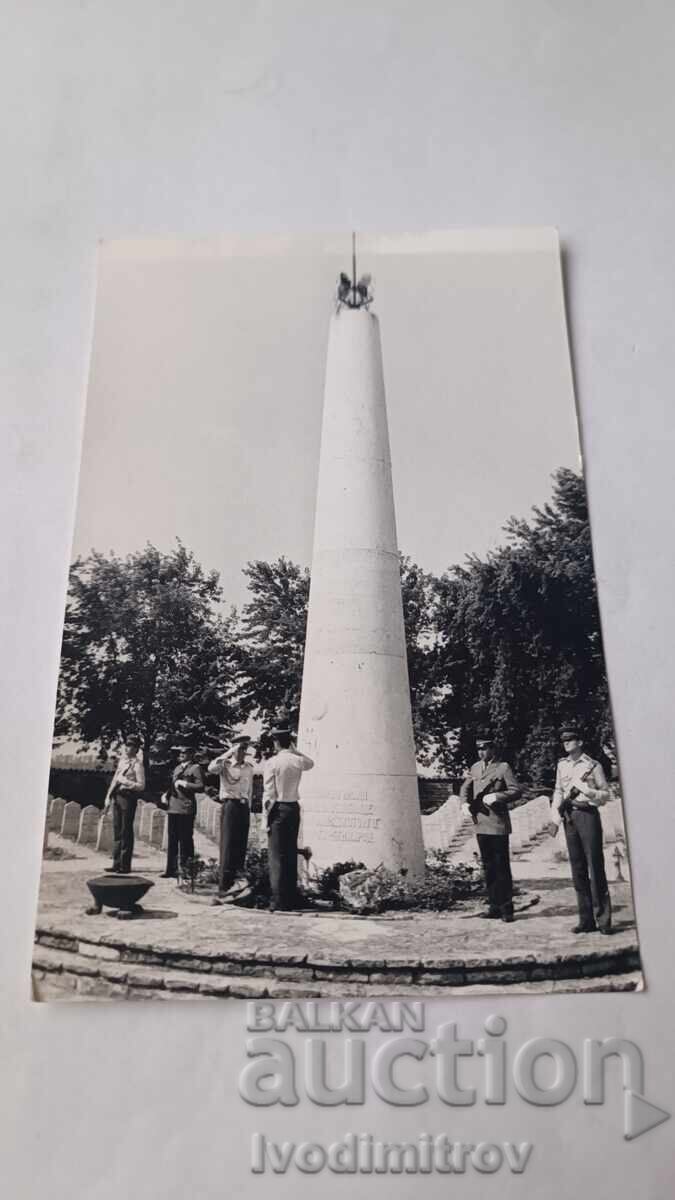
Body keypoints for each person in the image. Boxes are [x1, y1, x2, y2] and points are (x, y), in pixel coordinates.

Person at [547, 724, 612, 934]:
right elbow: (558, 790)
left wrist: (588, 790)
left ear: (580, 742)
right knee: (578, 869)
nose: (566, 742)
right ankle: (586, 920)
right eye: (564, 740)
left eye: (571, 739)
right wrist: (555, 815)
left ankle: (603, 920)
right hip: (569, 816)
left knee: (595, 865)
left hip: (587, 814)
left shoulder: (593, 766)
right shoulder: (562, 765)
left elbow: (606, 794)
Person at [459, 732, 521, 922]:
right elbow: (465, 787)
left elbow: (516, 790)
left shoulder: (503, 768)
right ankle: (494, 905)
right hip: (480, 823)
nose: (481, 752)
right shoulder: (476, 768)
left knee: (502, 867)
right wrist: (464, 803)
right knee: (488, 867)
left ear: (493, 749)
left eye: (484, 748)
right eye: (479, 748)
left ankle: (507, 908)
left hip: (497, 824)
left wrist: (498, 796)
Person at [263, 727, 314, 912]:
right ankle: (291, 896)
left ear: (276, 742)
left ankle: (278, 900)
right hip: (293, 808)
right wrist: (295, 750)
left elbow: (269, 795)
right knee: (291, 852)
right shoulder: (297, 761)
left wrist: (265, 821)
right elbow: (311, 763)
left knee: (276, 855)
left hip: (278, 808)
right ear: (289, 742)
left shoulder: (272, 762)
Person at [208, 735, 255, 896]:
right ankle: (224, 886)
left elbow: (250, 791)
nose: (243, 751)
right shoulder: (225, 765)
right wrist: (229, 752)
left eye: (245, 748)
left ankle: (238, 883)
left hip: (243, 807)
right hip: (230, 806)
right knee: (228, 846)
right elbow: (211, 768)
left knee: (241, 846)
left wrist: (248, 806)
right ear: (234, 748)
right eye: (240, 748)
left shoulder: (249, 767)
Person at [160, 742, 204, 879]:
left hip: (186, 808)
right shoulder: (178, 768)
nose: (181, 755)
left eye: (184, 753)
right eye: (180, 753)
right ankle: (171, 870)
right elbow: (173, 785)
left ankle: (186, 871)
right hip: (173, 807)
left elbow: (201, 786)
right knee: (172, 840)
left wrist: (186, 784)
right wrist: (166, 794)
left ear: (191, 754)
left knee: (185, 840)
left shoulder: (195, 768)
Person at [104, 733, 146, 874]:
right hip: (117, 797)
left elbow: (141, 785)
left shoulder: (138, 765)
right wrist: (108, 797)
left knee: (125, 831)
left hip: (128, 798)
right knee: (117, 830)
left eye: (131, 746)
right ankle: (116, 863)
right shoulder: (122, 762)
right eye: (127, 745)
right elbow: (115, 780)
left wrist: (126, 782)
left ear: (136, 749)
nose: (128, 748)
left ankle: (125, 865)